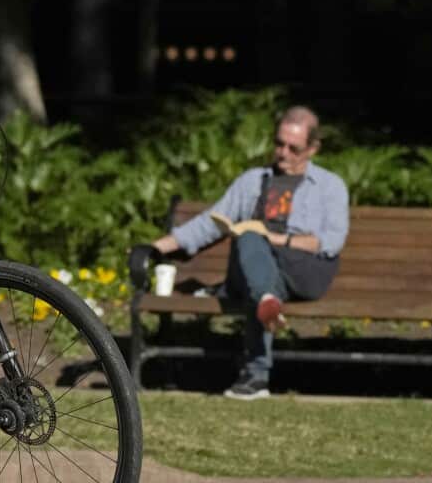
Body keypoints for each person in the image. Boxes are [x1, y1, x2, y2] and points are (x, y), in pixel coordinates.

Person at [129, 106, 349, 400]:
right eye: (278, 144)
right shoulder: (252, 180)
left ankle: (257, 371)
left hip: (302, 271)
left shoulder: (330, 186)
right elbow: (211, 222)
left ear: (312, 148)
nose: (283, 153)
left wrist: (273, 238)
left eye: (293, 148)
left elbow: (330, 242)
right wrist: (156, 247)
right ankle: (265, 309)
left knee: (253, 242)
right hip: (253, 267)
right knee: (250, 245)